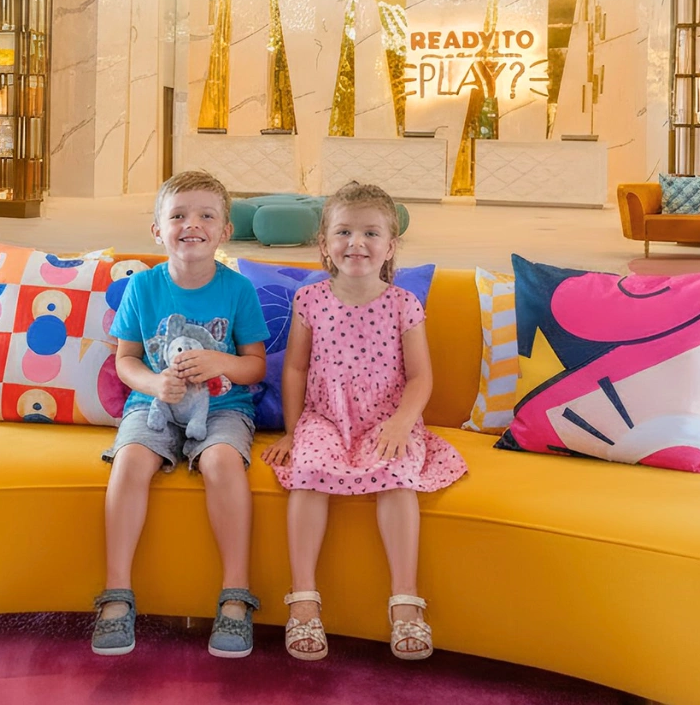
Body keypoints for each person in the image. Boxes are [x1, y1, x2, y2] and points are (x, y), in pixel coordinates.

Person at [261, 181, 468, 661]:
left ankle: (405, 603)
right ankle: (304, 601)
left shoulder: (403, 304)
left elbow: (420, 378)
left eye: (371, 233)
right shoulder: (310, 301)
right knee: (306, 475)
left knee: (398, 476)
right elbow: (294, 368)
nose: (356, 243)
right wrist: (294, 431)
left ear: (390, 246)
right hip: (324, 418)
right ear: (325, 245)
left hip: (387, 418)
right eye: (344, 232)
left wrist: (400, 424)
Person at [93, 169, 269, 658]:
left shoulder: (237, 290)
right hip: (152, 406)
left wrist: (219, 362)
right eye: (178, 216)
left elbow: (255, 366)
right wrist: (154, 383)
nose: (192, 224)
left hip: (223, 408)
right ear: (157, 230)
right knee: (128, 462)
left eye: (206, 215)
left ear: (225, 230)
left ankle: (235, 595)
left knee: (221, 463)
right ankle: (116, 595)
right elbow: (125, 359)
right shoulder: (143, 288)